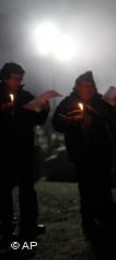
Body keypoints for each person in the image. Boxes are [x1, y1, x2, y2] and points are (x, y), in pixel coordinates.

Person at [52, 71, 116, 237]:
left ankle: (106, 214)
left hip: (103, 149)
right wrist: (70, 121)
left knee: (104, 184)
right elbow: (56, 122)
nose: (89, 89)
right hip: (82, 151)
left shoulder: (102, 101)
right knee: (86, 186)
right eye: (85, 86)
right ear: (77, 87)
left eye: (91, 86)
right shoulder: (68, 102)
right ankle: (88, 218)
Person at [0, 62, 49, 245]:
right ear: (5, 77)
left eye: (21, 78)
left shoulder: (27, 96)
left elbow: (37, 120)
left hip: (25, 148)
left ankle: (29, 224)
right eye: (16, 78)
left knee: (27, 188)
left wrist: (44, 110)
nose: (19, 81)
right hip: (4, 149)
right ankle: (6, 225)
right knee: (4, 188)